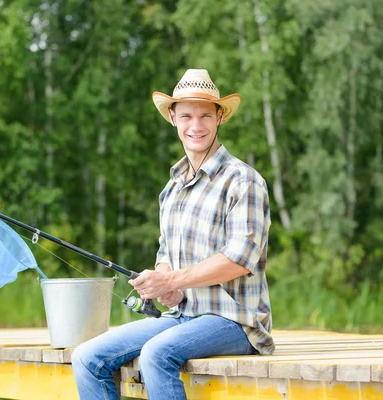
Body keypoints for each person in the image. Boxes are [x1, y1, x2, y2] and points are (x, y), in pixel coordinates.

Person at [71, 69, 274, 400]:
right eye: (187, 116)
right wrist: (160, 283)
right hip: (182, 316)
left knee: (156, 354)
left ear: (219, 116)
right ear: (172, 118)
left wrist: (174, 280)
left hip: (236, 322)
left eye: (205, 115)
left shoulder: (243, 180)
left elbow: (239, 259)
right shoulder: (172, 189)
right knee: (86, 358)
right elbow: (166, 256)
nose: (196, 126)